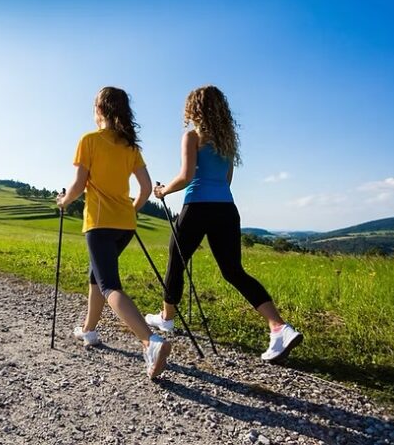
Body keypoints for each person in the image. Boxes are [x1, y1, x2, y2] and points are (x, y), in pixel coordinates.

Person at [146, 85, 303, 363]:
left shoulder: (192, 137)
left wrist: (162, 192)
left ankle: (167, 319)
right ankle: (279, 327)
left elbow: (185, 176)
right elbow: (227, 180)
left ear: (194, 109)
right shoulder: (227, 141)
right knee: (234, 271)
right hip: (226, 209)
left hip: (196, 207)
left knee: (175, 261)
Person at [57, 86, 171, 379]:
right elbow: (145, 189)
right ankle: (89, 330)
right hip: (125, 224)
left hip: (99, 223)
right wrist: (131, 209)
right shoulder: (131, 146)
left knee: (109, 285)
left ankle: (151, 341)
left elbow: (79, 185)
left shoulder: (89, 140)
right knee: (96, 276)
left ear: (100, 110)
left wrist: (63, 201)